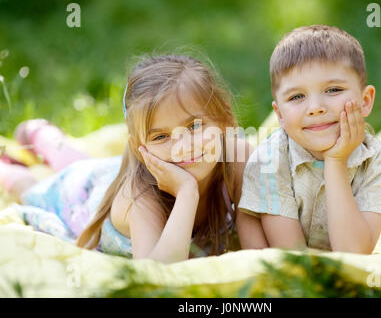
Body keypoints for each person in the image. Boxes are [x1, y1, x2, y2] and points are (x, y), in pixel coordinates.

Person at [0, 54, 253, 263]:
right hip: (80, 197)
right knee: (35, 187)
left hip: (102, 175)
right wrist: (187, 193)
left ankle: (41, 134)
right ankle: (22, 153)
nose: (183, 147)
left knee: (82, 162)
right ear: (138, 146)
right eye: (161, 137)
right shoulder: (140, 197)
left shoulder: (237, 159)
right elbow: (160, 273)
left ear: (224, 120)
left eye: (194, 126)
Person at [237, 25, 381, 254]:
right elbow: (293, 257)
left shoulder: (377, 164)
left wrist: (336, 161)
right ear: (280, 114)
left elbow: (354, 253)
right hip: (275, 254)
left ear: (365, 101)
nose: (315, 108)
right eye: (297, 96)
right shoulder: (270, 159)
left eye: (333, 90)